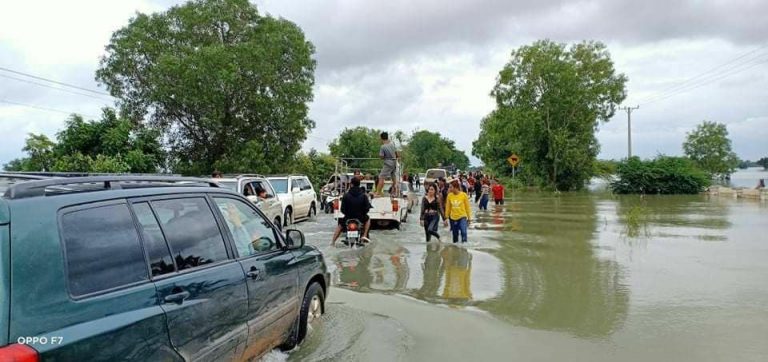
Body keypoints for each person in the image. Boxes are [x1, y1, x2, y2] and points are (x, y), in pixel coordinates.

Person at [331, 177, 372, 246]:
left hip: (348, 217)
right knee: (368, 219)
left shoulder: (346, 195)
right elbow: (367, 208)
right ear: (359, 184)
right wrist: (363, 213)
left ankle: (333, 242)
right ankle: (364, 235)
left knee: (340, 226)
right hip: (360, 217)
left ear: (351, 184)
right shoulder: (364, 196)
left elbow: (342, 209)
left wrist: (347, 214)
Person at [445, 179, 471, 243]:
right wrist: (446, 218)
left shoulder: (464, 195)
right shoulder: (449, 196)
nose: (449, 188)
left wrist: (469, 218)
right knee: (455, 235)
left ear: (456, 187)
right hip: (453, 218)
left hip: (462, 216)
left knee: (463, 232)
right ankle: (456, 249)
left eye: (451, 187)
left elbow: (467, 207)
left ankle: (464, 247)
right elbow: (448, 207)